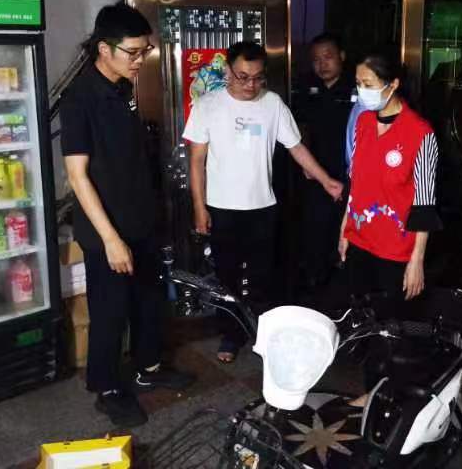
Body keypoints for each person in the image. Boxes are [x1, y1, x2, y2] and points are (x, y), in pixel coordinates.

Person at [61, 3, 193, 428]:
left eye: (144, 51)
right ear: (104, 48)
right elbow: (78, 176)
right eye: (133, 52)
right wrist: (111, 239)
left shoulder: (121, 89)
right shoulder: (81, 99)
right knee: (111, 312)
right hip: (108, 231)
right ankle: (107, 389)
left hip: (140, 222)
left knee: (149, 302)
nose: (140, 60)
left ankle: (147, 368)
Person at [184, 41, 344, 363]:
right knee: (226, 276)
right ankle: (231, 335)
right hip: (222, 207)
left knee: (263, 276)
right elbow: (196, 161)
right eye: (242, 77)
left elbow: (296, 147)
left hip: (263, 207)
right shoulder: (207, 105)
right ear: (228, 71)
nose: (250, 85)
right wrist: (199, 208)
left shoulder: (272, 104)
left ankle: (263, 333)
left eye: (258, 78)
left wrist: (326, 180)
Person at [339, 52, 442, 316]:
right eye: (358, 84)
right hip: (359, 240)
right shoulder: (362, 122)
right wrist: (344, 229)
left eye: (368, 84)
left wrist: (416, 260)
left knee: (391, 324)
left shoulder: (421, 133)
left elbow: (424, 203)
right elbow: (355, 183)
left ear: (393, 84)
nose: (362, 91)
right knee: (358, 319)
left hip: (396, 251)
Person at [296, 33, 355, 290]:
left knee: (347, 233)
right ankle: (316, 285)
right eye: (316, 59)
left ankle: (346, 286)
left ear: (342, 56)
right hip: (316, 174)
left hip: (349, 175)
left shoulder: (357, 88)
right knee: (315, 231)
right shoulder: (306, 88)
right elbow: (300, 127)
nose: (322, 64)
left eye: (328, 57)